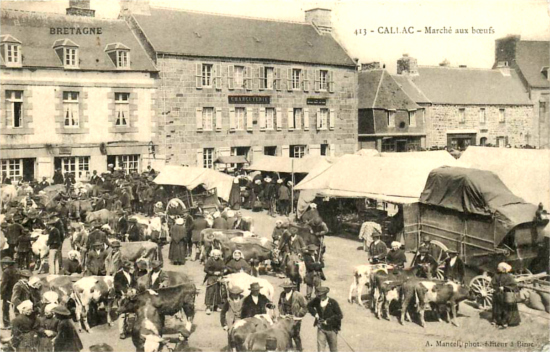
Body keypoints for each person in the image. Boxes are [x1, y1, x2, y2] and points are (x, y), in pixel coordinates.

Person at [307, 287, 343, 352]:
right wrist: (315, 314)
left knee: (333, 349)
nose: (320, 297)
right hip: (321, 328)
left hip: (331, 329)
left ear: (325, 294)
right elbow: (309, 306)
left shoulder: (333, 302)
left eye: (321, 295)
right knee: (320, 349)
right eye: (318, 295)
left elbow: (339, 315)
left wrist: (328, 321)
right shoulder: (317, 300)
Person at [278, 281, 308, 352]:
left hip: (295, 319)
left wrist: (298, 314)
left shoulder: (298, 295)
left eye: (288, 288)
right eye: (284, 288)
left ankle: (299, 349)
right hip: (285, 318)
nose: (286, 289)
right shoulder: (282, 294)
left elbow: (305, 306)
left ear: (291, 287)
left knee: (296, 335)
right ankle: (289, 349)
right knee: (286, 335)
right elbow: (279, 304)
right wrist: (283, 313)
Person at [491, 262, 521, 329]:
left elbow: (514, 285)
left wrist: (504, 287)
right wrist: (494, 288)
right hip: (498, 294)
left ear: (503, 268)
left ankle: (505, 322)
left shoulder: (509, 276)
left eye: (499, 267)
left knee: (505, 309)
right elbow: (493, 283)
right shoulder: (496, 275)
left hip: (506, 295)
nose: (498, 268)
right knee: (497, 308)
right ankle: (497, 321)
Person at [114, 261, 135, 339]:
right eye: (128, 267)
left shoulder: (131, 275)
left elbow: (134, 283)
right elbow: (117, 285)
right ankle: (121, 332)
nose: (129, 269)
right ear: (124, 268)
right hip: (122, 296)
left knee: (130, 314)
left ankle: (128, 329)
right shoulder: (118, 275)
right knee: (122, 314)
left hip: (131, 296)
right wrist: (124, 291)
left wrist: (133, 290)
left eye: (129, 267)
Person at [204, 249, 225, 315]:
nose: (216, 256)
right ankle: (208, 307)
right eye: (215, 255)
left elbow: (223, 269)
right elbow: (205, 269)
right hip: (211, 277)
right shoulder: (210, 260)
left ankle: (216, 306)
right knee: (210, 291)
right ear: (213, 255)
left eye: (218, 255)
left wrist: (221, 274)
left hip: (218, 277)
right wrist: (213, 272)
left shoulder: (221, 261)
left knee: (217, 292)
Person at [1, 256, 18, 329]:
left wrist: (1, 292)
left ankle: (7, 324)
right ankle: (19, 322)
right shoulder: (16, 270)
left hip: (7, 292)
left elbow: (4, 284)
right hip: (15, 291)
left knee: (5, 308)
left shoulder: (6, 272)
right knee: (16, 307)